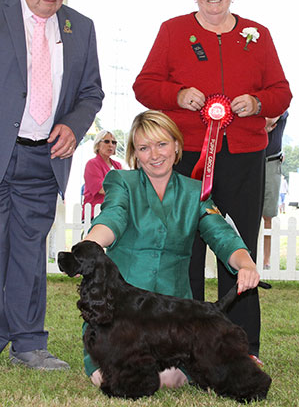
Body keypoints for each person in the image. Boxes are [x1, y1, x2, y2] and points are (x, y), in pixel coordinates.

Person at [132, 0, 292, 363]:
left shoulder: (259, 34)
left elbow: (282, 93)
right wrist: (177, 95)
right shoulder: (173, 31)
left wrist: (257, 102)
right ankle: (180, 348)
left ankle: (242, 349)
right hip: (185, 157)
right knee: (185, 251)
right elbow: (144, 85)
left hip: (244, 157)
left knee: (238, 251)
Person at [82, 109, 261, 389]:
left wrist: (245, 263)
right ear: (134, 154)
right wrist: (93, 244)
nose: (154, 154)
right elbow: (112, 217)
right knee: (116, 377)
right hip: (120, 318)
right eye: (144, 147)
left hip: (173, 322)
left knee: (168, 378)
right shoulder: (122, 183)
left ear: (177, 146)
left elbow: (221, 234)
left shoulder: (195, 192)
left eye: (162, 144)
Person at [0, 0, 103, 370]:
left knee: (28, 253)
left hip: (43, 161)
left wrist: (73, 126)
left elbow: (91, 92)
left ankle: (28, 344)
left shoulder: (80, 26)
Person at [262, 112, 288, 269]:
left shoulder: (279, 106)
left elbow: (269, 119)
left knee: (268, 216)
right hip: (250, 159)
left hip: (271, 161)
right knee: (245, 214)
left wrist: (257, 127)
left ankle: (266, 260)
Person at [82, 130, 122, 219]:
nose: (111, 145)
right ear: (98, 144)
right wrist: (121, 188)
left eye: (114, 142)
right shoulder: (92, 164)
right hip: (95, 213)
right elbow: (101, 189)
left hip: (115, 212)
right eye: (106, 141)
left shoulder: (118, 165)